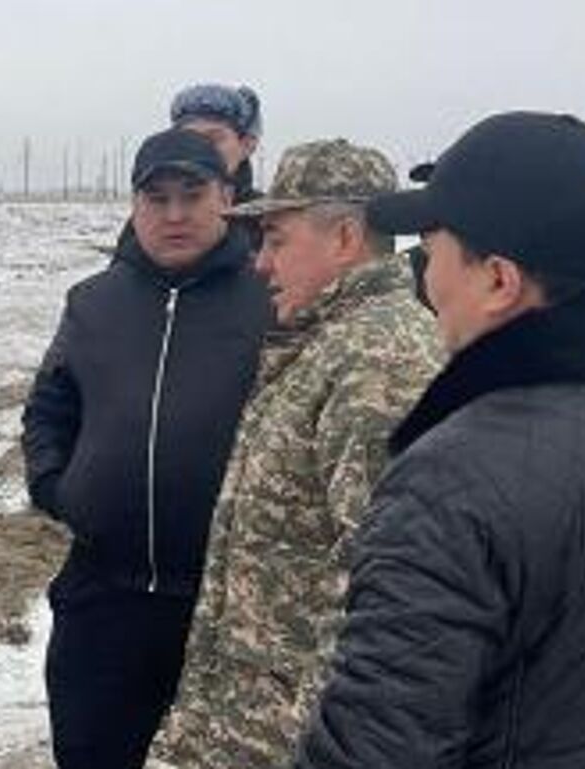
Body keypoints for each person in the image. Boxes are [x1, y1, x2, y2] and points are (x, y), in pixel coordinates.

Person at [294, 112, 585, 768]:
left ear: (498, 281)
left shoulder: (453, 480)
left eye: (433, 250)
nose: (424, 279)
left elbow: (377, 747)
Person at [147, 139, 442, 769]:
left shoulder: (379, 364)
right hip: (247, 727)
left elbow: (385, 601)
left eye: (276, 240)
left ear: (346, 237)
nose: (260, 263)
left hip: (296, 742)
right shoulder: (326, 343)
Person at [21, 128, 272, 769]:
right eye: (156, 198)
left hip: (228, 600)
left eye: (192, 195)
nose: (174, 214)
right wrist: (57, 486)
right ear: (135, 205)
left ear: (227, 198)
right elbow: (50, 405)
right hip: (105, 595)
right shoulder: (94, 302)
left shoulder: (269, 300)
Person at [171, 84, 265, 203]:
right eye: (189, 139)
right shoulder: (156, 208)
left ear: (246, 146)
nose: (200, 148)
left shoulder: (271, 213)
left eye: (214, 139)